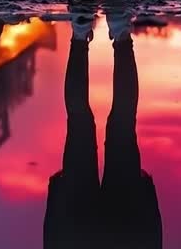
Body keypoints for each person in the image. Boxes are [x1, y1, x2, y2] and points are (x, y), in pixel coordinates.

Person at [43, 18, 162, 248]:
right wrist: (57, 194)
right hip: (75, 236)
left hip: (129, 234)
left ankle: (120, 35)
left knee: (123, 122)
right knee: (79, 122)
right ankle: (80, 34)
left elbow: (152, 236)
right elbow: (52, 237)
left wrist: (145, 193)